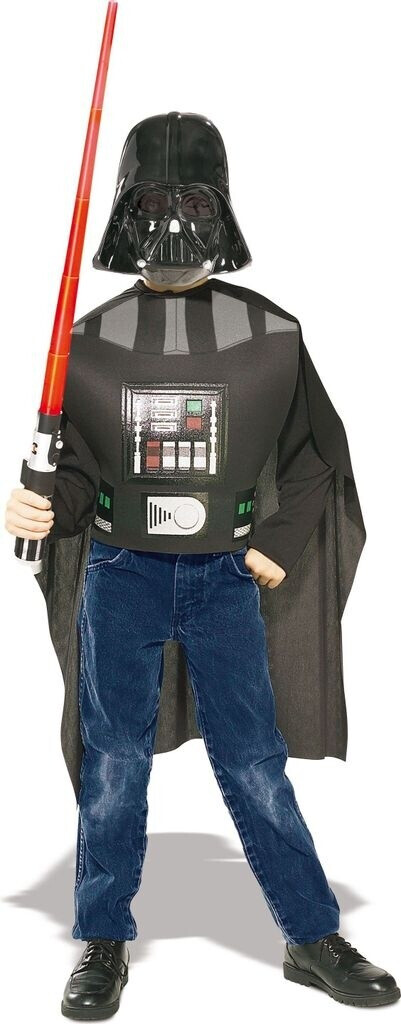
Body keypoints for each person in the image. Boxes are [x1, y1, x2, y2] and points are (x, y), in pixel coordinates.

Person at [5, 112, 400, 1018]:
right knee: (113, 760)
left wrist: (276, 545)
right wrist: (40, 503)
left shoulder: (272, 333)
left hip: (224, 576)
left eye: (191, 202)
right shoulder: (85, 342)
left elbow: (318, 454)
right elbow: (75, 475)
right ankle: (103, 938)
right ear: (125, 211)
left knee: (254, 761)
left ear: (220, 208)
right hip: (121, 573)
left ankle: (310, 936)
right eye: (154, 203)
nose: (173, 223)